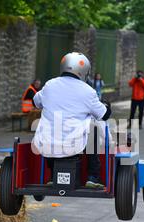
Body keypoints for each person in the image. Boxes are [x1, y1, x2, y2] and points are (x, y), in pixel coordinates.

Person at [32, 52, 111, 189]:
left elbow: (36, 102)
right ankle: (92, 176)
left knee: (50, 130)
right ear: (83, 71)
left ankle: (52, 176)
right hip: (75, 145)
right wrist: (107, 107)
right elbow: (104, 115)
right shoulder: (88, 91)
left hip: (48, 144)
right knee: (94, 129)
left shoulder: (50, 85)